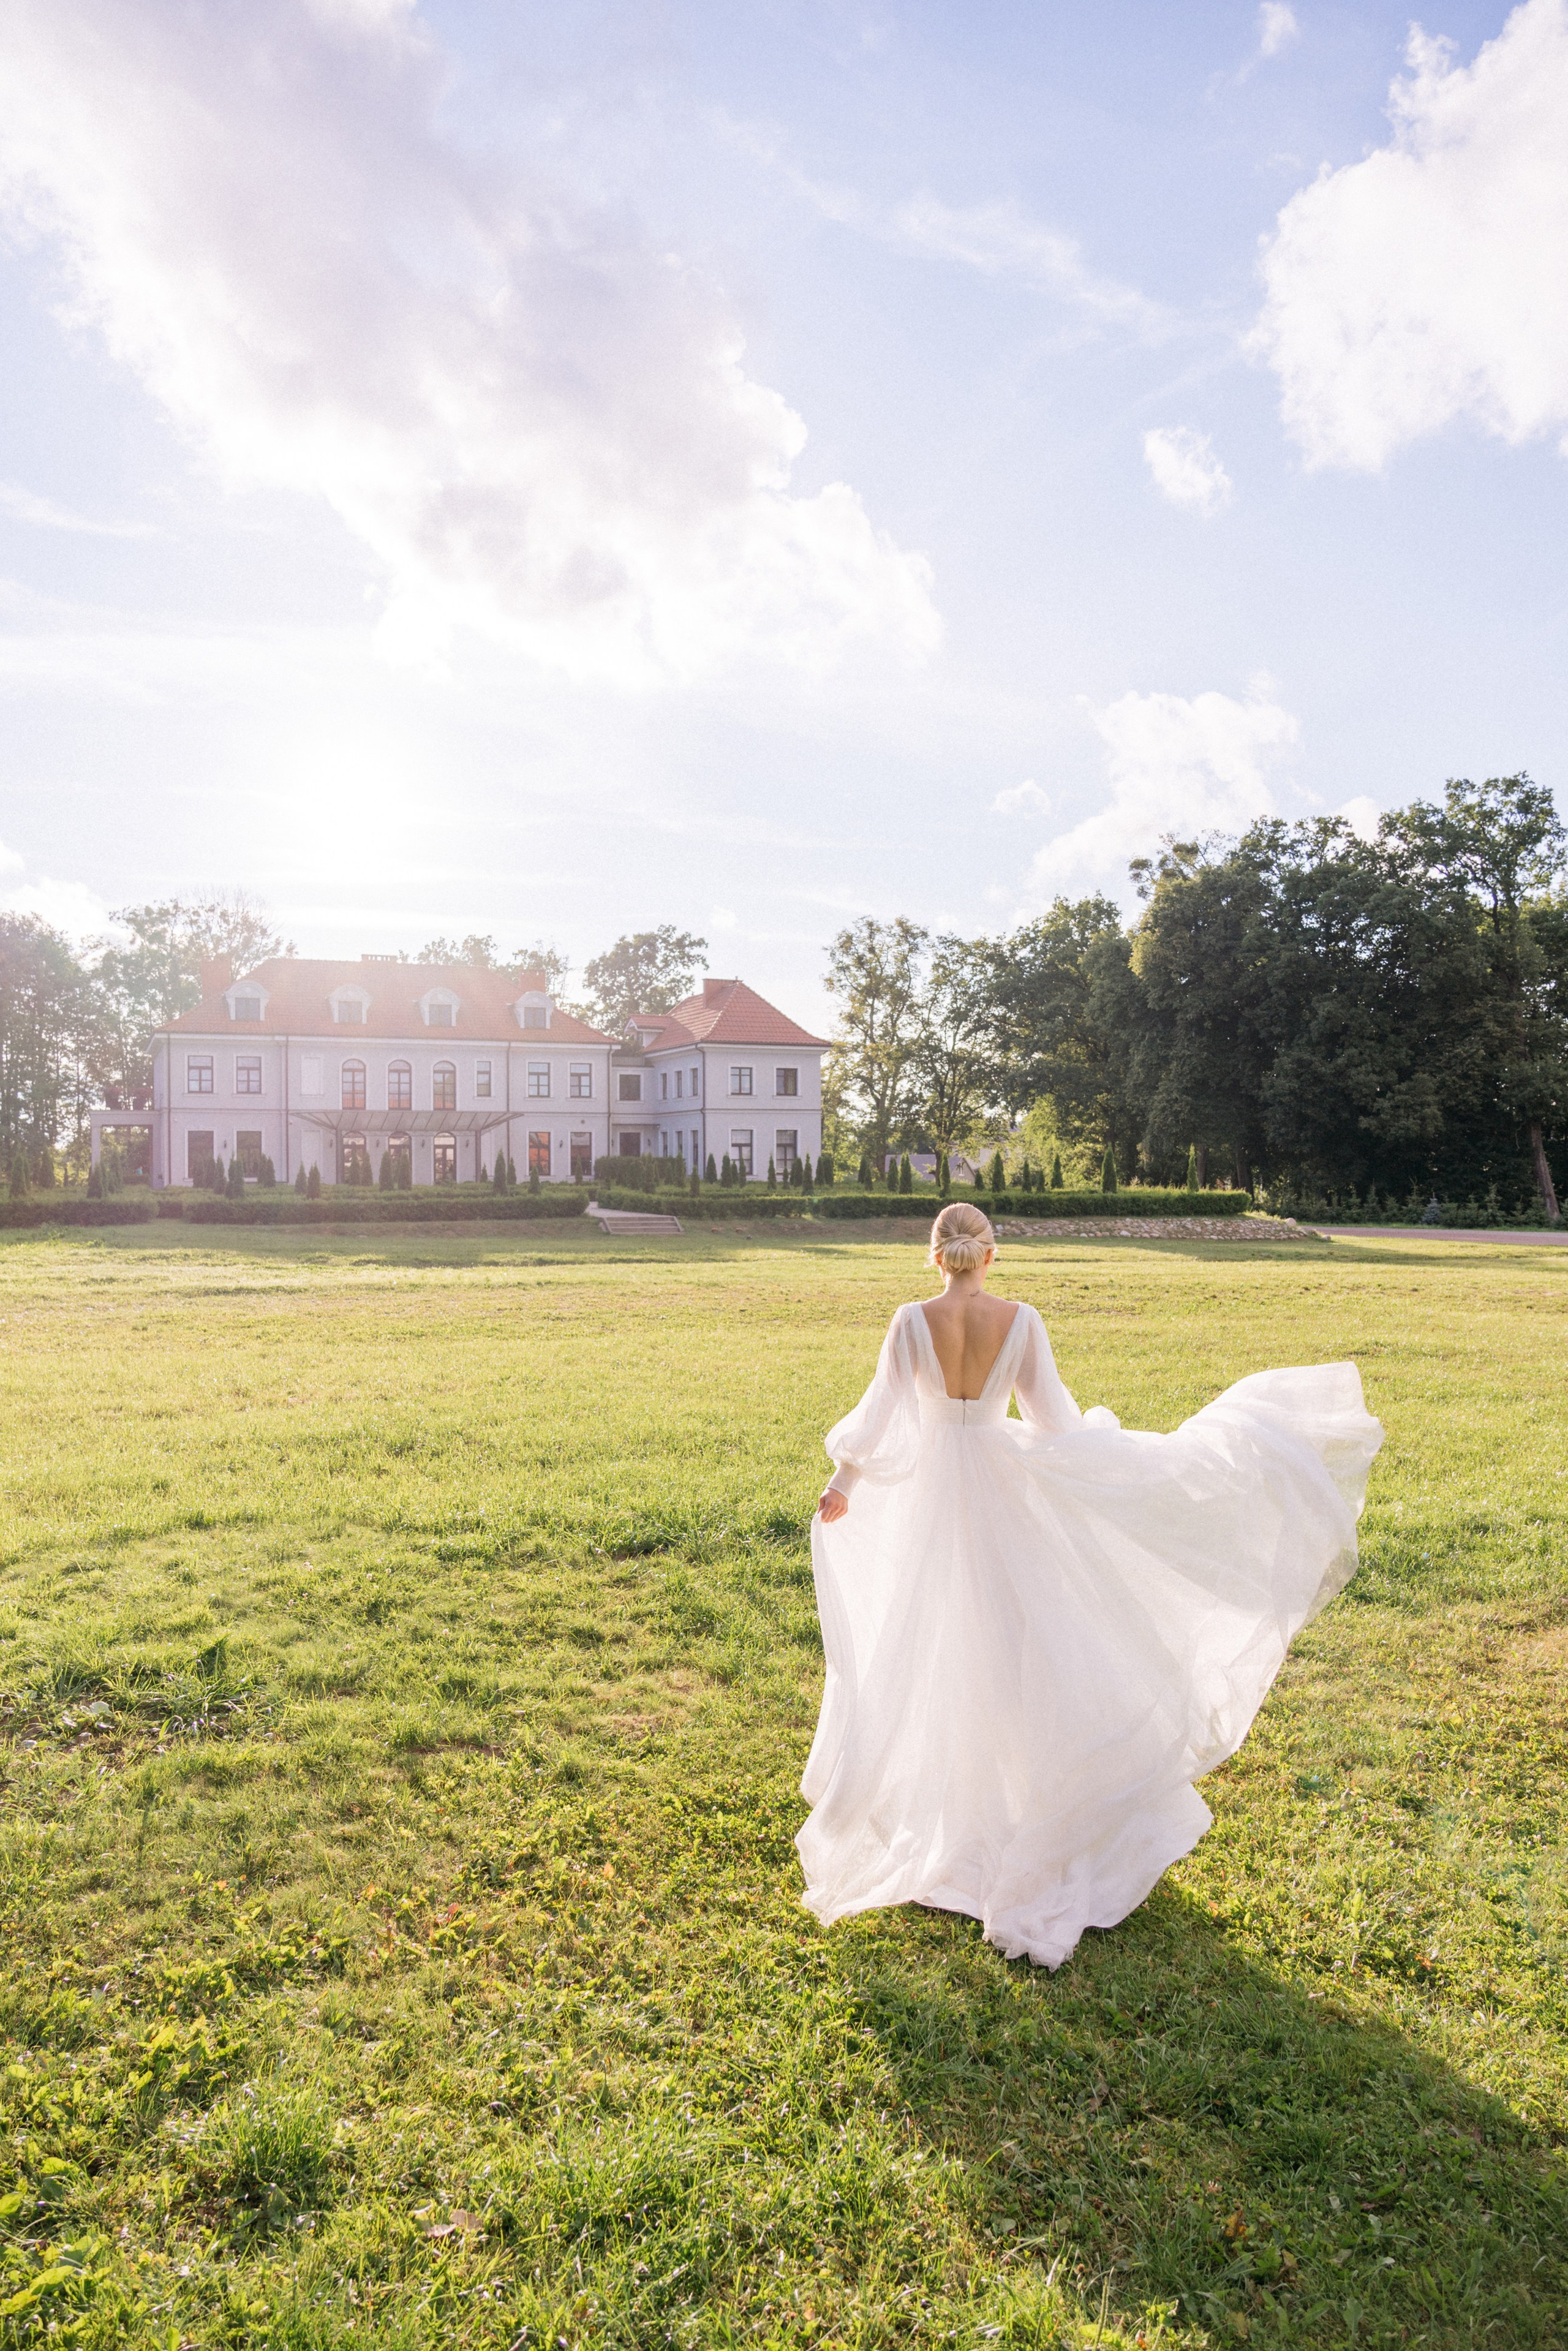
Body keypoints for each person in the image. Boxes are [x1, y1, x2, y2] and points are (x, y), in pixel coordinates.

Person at [798, 1200, 1382, 1969]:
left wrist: (844, 1482)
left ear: (934, 1255)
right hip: (1001, 1491)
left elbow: (879, 1417)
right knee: (1016, 1649)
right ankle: (1016, 1814)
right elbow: (1052, 1422)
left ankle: (951, 1812)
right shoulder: (1022, 1321)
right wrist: (1101, 1456)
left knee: (934, 1643)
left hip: (935, 1498)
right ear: (990, 1255)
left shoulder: (910, 1320)